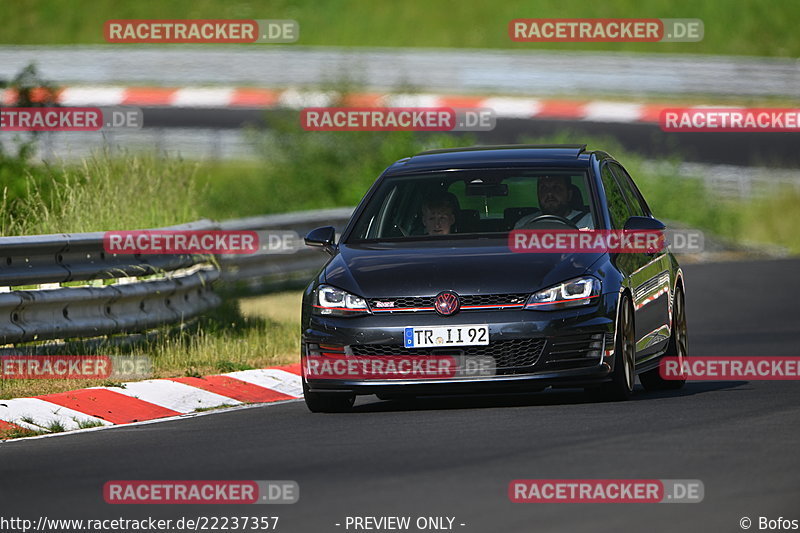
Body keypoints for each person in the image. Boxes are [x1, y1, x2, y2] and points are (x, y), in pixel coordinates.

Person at [514, 175, 592, 229]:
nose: (549, 193)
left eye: (556, 188)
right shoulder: (524, 224)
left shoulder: (590, 222)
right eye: (544, 188)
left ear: (569, 194)